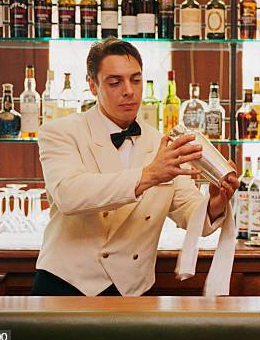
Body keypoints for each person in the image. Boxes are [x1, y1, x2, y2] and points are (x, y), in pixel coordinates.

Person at [32, 38, 239, 296]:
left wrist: (215, 203)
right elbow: (69, 195)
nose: (128, 91)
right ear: (92, 86)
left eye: (136, 80)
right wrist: (149, 175)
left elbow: (189, 210)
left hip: (132, 289)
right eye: (115, 82)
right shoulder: (60, 132)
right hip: (66, 286)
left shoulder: (161, 142)